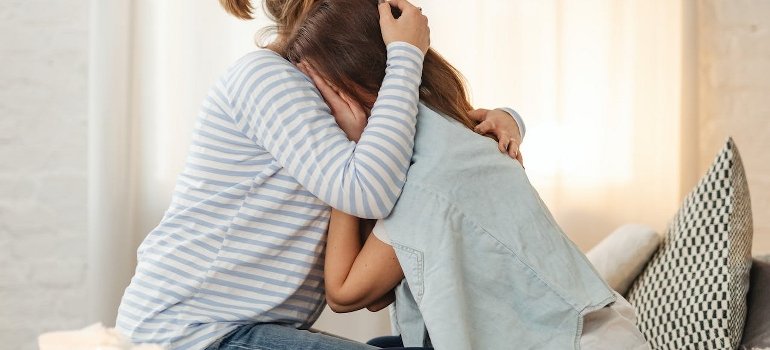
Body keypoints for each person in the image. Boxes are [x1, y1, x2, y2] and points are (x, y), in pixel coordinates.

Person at [115, 0, 525, 349]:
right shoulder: (265, 77)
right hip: (193, 332)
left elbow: (434, 144)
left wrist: (508, 118)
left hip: (246, 329)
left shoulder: (334, 100)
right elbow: (366, 192)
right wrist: (406, 54)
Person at [283, 0, 650, 349]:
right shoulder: (444, 130)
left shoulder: (430, 176)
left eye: (321, 97)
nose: (318, 117)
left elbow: (345, 292)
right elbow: (380, 293)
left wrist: (346, 162)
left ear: (359, 85)